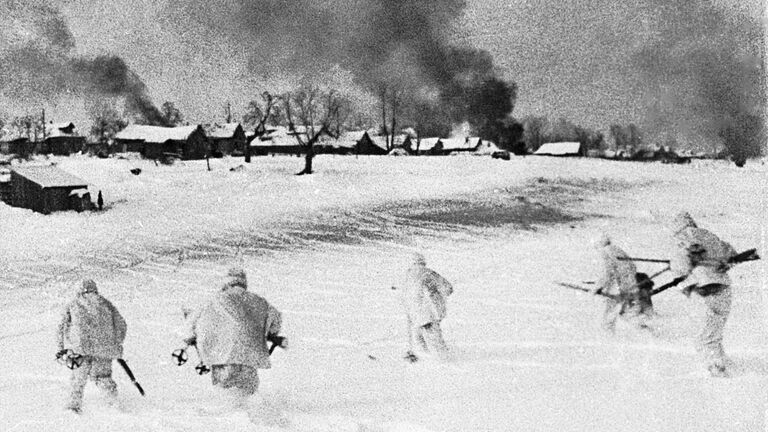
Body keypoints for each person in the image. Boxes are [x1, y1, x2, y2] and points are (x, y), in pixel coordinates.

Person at [183, 267, 282, 400]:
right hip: (250, 359)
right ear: (244, 283)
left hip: (223, 359)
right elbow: (275, 322)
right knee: (248, 397)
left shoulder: (213, 300)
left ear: (225, 283)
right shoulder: (260, 301)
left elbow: (190, 324)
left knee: (226, 399)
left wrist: (190, 338)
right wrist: (270, 332)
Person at [669, 211, 737, 377]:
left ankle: (717, 372)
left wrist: (681, 281)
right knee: (714, 333)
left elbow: (680, 264)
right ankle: (729, 368)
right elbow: (732, 255)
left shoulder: (682, 237)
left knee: (704, 337)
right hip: (724, 288)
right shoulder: (708, 235)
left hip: (704, 289)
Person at [56, 279, 127, 413]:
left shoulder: (73, 304)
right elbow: (121, 324)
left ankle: (74, 407)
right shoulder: (106, 304)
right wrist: (116, 343)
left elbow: (60, 327)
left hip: (80, 349)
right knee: (103, 377)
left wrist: (60, 349)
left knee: (78, 379)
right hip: (104, 349)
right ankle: (113, 405)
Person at [393, 253, 454, 361]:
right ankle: (447, 363)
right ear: (423, 261)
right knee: (437, 344)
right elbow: (448, 288)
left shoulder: (406, 276)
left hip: (413, 316)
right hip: (428, 315)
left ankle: (425, 365)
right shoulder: (428, 272)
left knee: (420, 345)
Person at [591, 234, 648, 332]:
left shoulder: (604, 252)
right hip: (630, 286)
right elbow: (632, 266)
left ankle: (607, 338)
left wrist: (598, 287)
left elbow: (606, 272)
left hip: (615, 289)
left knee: (608, 313)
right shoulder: (618, 250)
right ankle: (648, 333)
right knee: (629, 313)